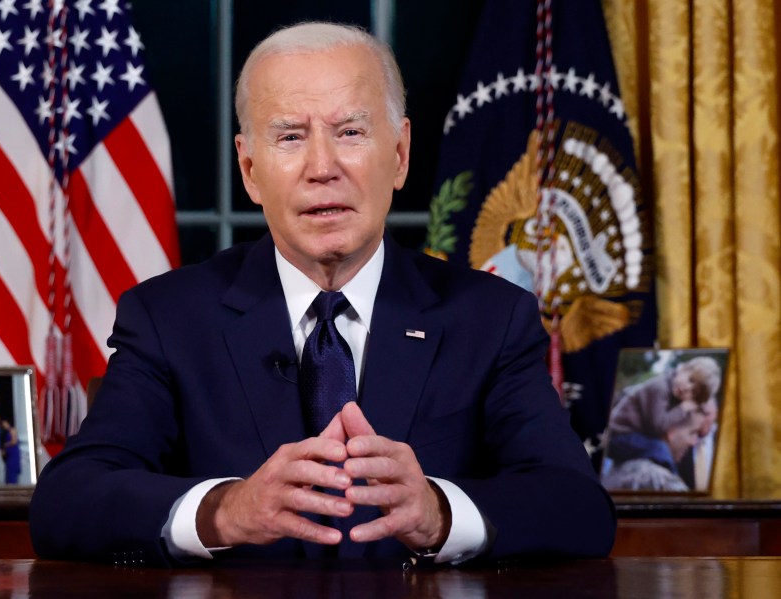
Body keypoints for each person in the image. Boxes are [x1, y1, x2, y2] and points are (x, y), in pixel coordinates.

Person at [30, 21, 615, 567]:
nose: (322, 167)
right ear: (250, 168)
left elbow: (578, 508)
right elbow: (68, 501)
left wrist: (438, 512)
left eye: (351, 132)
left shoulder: (490, 318)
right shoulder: (168, 319)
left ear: (401, 154)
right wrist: (226, 511)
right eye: (290, 136)